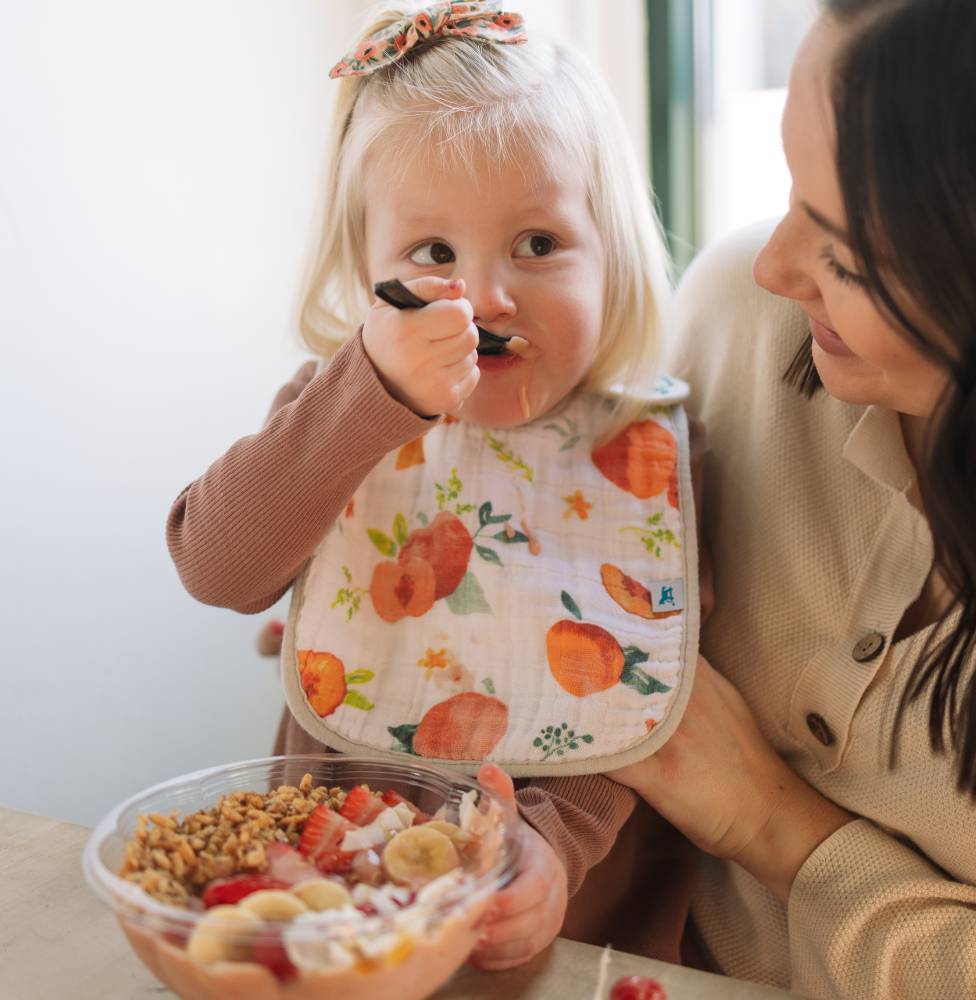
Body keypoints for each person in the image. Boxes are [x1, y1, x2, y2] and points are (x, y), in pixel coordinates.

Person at [167, 1, 706, 972]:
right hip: (336, 919)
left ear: (613, 248)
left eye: (537, 243)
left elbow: (651, 686)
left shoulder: (651, 458)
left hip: (569, 928)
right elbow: (212, 568)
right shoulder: (339, 415)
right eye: (432, 255)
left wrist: (553, 844)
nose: (486, 296)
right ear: (365, 269)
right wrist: (370, 395)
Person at [610, 0, 976, 996]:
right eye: (788, 188)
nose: (776, 266)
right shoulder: (737, 319)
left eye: (843, 252)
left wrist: (774, 825)